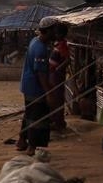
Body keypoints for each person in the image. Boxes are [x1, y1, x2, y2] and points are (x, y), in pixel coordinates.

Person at [17, 18, 55, 156]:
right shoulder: (40, 49)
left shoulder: (35, 41)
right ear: (49, 31)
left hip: (28, 85)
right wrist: (48, 93)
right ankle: (32, 146)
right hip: (35, 87)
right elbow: (41, 74)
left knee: (29, 113)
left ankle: (22, 140)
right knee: (37, 117)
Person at [48, 25, 70, 132]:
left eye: (56, 33)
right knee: (54, 98)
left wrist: (57, 69)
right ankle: (55, 120)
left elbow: (67, 60)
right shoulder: (57, 44)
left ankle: (58, 122)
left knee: (57, 99)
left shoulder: (63, 45)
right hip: (53, 75)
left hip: (56, 76)